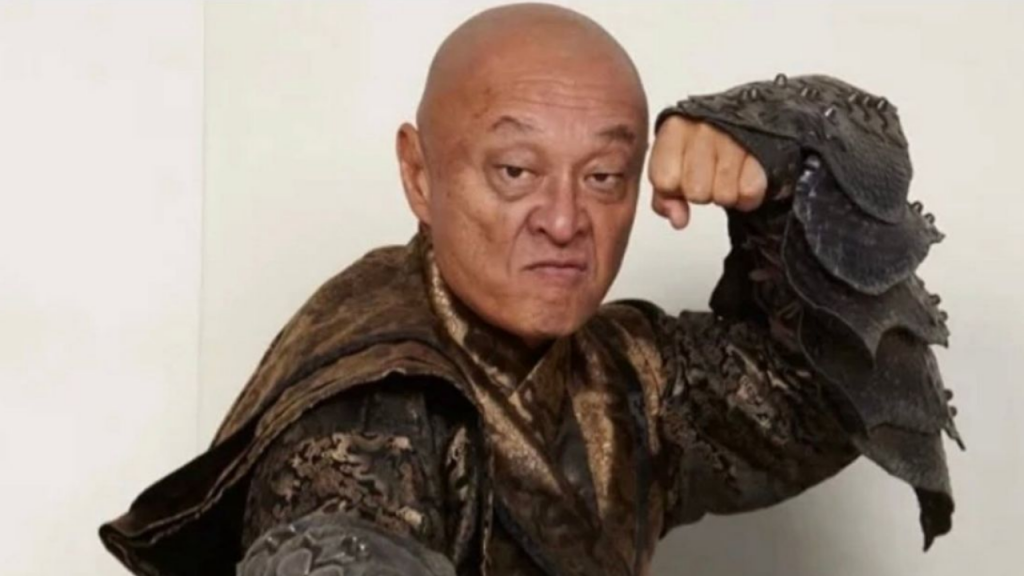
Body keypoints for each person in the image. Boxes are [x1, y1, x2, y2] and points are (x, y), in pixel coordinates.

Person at [99, 4, 961, 576]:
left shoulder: (625, 374)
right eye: (515, 171)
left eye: (604, 176)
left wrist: (777, 162)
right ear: (419, 176)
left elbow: (828, 395)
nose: (563, 220)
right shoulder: (365, 419)